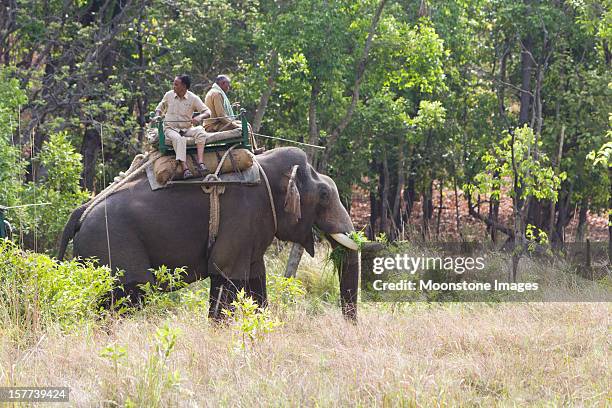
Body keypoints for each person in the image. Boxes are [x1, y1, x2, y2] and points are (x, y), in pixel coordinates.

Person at [154, 74, 211, 178]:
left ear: (184, 86)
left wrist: (199, 118)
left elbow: (207, 111)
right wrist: (157, 116)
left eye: (176, 84)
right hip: (170, 128)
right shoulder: (169, 95)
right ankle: (185, 168)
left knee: (201, 132)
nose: (173, 86)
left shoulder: (193, 98)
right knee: (179, 139)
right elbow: (159, 108)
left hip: (186, 128)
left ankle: (201, 163)